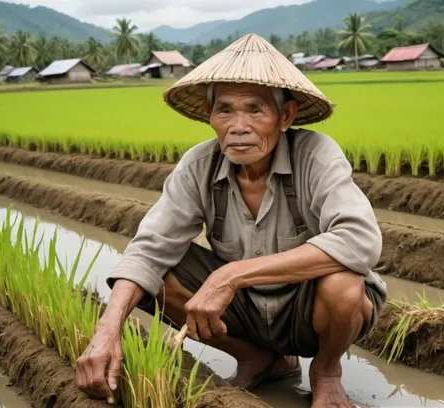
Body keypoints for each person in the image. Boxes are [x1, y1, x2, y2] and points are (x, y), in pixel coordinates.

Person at [75, 33, 387, 408]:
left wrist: (230, 275)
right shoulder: (198, 166)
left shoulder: (316, 156)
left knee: (343, 281)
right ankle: (257, 358)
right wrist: (107, 328)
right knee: (152, 273)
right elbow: (147, 249)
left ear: (285, 116)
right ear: (210, 117)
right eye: (225, 110)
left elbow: (360, 240)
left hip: (308, 309)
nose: (238, 126)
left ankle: (326, 370)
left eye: (255, 110)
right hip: (244, 309)